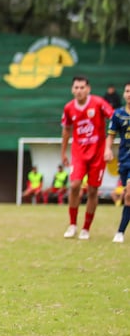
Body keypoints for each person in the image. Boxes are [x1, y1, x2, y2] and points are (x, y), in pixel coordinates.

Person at [61, 76, 114, 240]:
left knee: (92, 190)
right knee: (75, 185)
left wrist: (108, 147)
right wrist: (63, 152)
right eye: (76, 87)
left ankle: (86, 228)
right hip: (78, 153)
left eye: (82, 87)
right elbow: (66, 130)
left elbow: (114, 119)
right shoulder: (69, 108)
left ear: (88, 89)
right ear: (72, 90)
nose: (79, 90)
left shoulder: (98, 103)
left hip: (97, 154)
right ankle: (72, 225)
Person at [105, 81, 130, 243]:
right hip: (124, 160)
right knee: (128, 196)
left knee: (129, 193)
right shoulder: (118, 114)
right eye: (127, 91)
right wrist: (107, 150)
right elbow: (111, 135)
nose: (129, 94)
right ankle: (120, 231)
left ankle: (120, 232)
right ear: (123, 94)